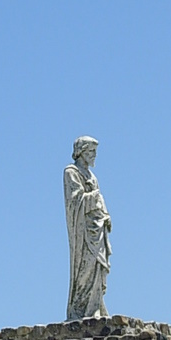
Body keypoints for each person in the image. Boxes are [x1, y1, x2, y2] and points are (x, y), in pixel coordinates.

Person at [64, 136, 111, 320]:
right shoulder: (71, 172)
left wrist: (105, 215)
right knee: (86, 266)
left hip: (97, 227)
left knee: (98, 265)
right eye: (91, 152)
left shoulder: (92, 176)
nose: (94, 156)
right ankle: (81, 308)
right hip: (82, 230)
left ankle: (95, 306)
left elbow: (99, 199)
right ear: (82, 152)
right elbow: (74, 201)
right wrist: (94, 197)